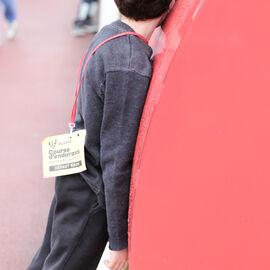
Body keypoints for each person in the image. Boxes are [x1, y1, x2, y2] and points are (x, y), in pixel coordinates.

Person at [27, 0, 175, 269]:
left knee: (48, 260)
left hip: (74, 174)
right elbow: (116, 160)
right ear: (168, 6)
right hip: (92, 191)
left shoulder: (109, 33)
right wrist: (119, 242)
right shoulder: (130, 64)